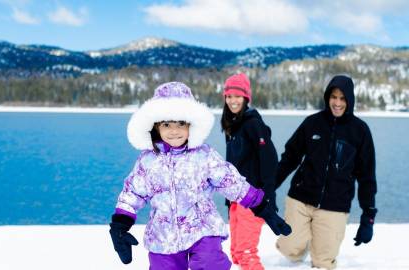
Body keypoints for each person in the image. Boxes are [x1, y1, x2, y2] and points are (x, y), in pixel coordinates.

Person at [109, 82, 291, 270]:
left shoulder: (203, 155)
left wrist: (262, 207)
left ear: (191, 125)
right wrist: (120, 226)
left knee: (210, 262)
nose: (174, 130)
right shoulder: (147, 161)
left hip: (202, 228)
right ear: (156, 127)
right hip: (163, 235)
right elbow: (133, 193)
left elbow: (230, 181)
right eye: (166, 124)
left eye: (181, 123)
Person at [275, 75, 378, 269]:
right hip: (301, 198)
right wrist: (270, 187)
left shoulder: (360, 131)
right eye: (334, 97)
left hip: (335, 205)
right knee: (289, 249)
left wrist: (368, 217)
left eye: (342, 98)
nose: (337, 103)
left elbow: (367, 177)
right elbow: (290, 158)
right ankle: (302, 241)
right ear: (327, 97)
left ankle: (319, 242)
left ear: (349, 100)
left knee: (323, 263)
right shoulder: (312, 123)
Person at [220, 73, 279, 270]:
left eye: (237, 96)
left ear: (246, 98)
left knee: (246, 252)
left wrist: (268, 195)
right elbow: (233, 165)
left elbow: (270, 160)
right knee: (236, 253)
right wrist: (230, 197)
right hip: (237, 198)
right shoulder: (233, 125)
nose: (232, 100)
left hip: (253, 196)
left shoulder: (253, 124)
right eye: (229, 96)